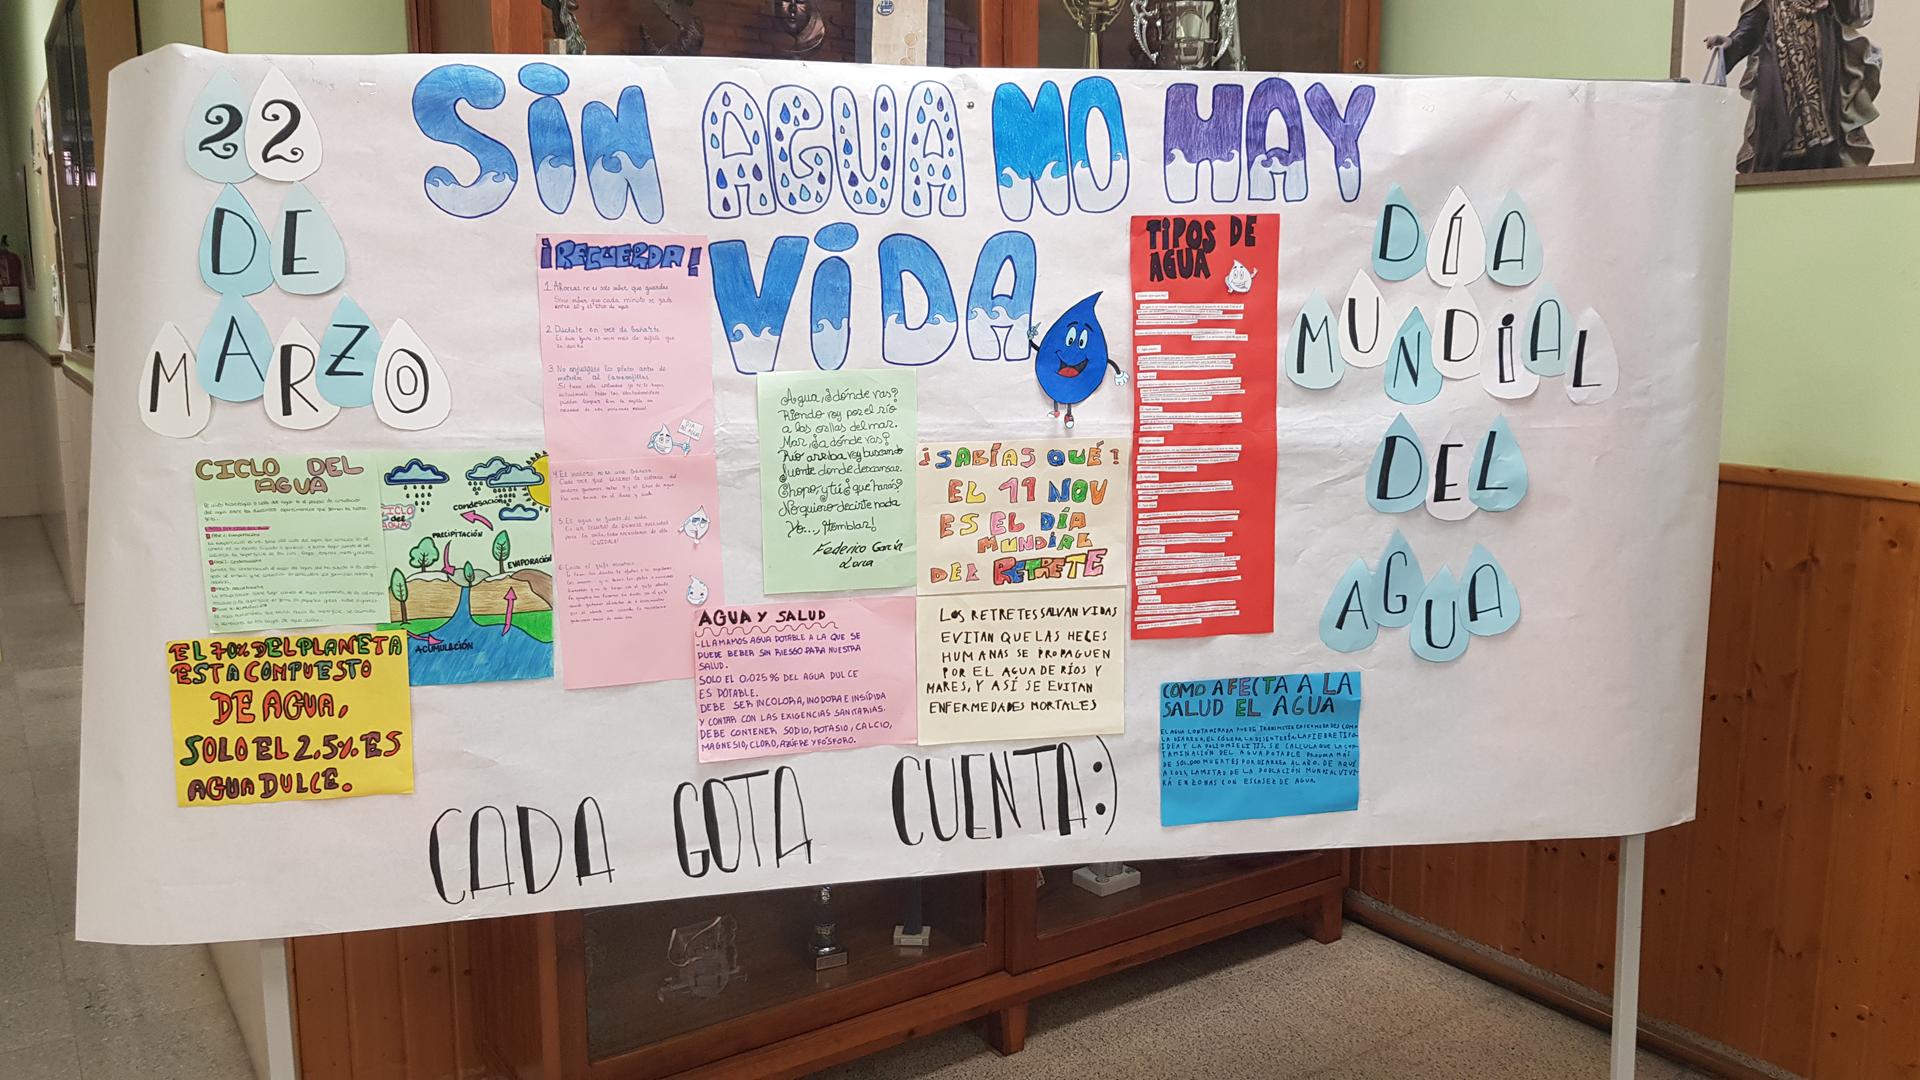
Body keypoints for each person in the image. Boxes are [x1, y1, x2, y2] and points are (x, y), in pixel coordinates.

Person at [1705, 0, 1882, 172]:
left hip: (1820, 57)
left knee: (1824, 125)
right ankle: (1770, 175)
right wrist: (1733, 42)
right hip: (1776, 58)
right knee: (1769, 112)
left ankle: (1822, 173)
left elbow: (1851, 11)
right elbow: (1755, 18)